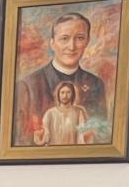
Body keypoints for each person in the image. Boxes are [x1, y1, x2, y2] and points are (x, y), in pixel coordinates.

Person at [16, 12, 108, 145]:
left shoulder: (96, 85)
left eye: (80, 38)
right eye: (64, 38)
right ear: (52, 43)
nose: (72, 47)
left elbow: (103, 137)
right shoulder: (27, 86)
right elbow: (20, 142)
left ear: (87, 42)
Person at [35, 80, 89, 145]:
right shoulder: (50, 113)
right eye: (62, 92)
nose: (65, 96)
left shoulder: (79, 112)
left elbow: (81, 136)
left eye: (68, 92)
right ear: (58, 94)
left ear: (72, 94)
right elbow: (46, 137)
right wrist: (39, 139)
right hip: (55, 151)